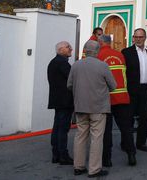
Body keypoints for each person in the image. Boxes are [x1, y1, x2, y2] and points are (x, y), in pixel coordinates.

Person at [67, 40, 116, 178]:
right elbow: (113, 85)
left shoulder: (76, 65)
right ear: (97, 51)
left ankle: (78, 166)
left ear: (85, 50)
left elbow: (69, 85)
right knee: (96, 138)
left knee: (80, 136)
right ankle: (94, 169)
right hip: (98, 107)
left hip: (81, 106)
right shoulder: (103, 66)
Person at [97, 35, 136, 167]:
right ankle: (131, 154)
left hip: (106, 98)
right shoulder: (119, 55)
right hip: (123, 97)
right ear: (110, 42)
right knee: (126, 129)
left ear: (100, 42)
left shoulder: (99, 56)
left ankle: (106, 159)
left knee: (106, 131)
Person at [121, 28, 147, 152]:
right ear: (133, 38)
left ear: (145, 38)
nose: (138, 39)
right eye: (136, 37)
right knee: (128, 118)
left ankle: (141, 143)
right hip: (131, 90)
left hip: (145, 90)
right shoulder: (126, 52)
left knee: (145, 117)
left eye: (141, 37)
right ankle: (126, 143)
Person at [47, 41, 74, 165]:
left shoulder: (54, 62)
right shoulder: (62, 63)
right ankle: (62, 155)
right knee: (62, 128)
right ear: (61, 49)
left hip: (58, 100)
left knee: (57, 127)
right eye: (68, 47)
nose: (71, 49)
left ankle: (56, 154)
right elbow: (72, 79)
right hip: (64, 101)